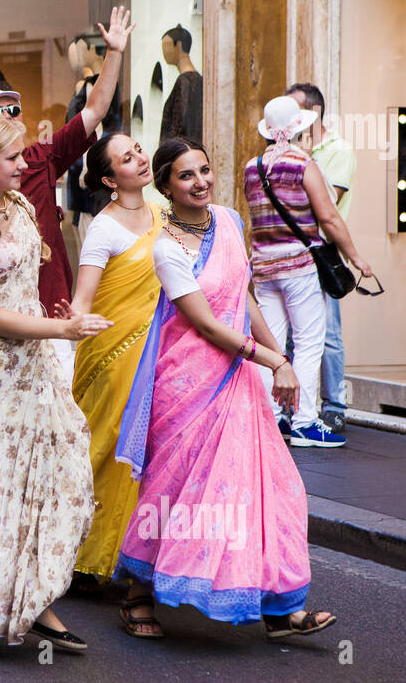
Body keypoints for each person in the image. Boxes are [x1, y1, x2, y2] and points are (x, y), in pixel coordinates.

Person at [113, 138, 336, 641]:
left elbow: (246, 300)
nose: (201, 182)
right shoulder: (167, 248)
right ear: (166, 186)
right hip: (187, 382)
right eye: (187, 176)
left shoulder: (231, 222)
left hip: (238, 375)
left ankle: (280, 608)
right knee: (177, 494)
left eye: (206, 171)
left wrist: (281, 360)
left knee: (272, 489)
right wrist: (274, 361)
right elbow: (208, 326)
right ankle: (138, 594)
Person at [0, 114, 110, 652]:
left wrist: (53, 315)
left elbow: (26, 286)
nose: (23, 166)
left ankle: (36, 599)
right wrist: (63, 328)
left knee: (54, 478)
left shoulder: (19, 205)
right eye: (12, 158)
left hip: (33, 364)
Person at [0, 7, 134, 359]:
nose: (9, 116)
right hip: (0, 317)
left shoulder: (40, 156)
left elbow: (95, 110)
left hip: (53, 311)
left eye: (13, 110)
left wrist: (115, 53)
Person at [242, 95, 372, 447]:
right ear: (299, 127)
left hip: (264, 268)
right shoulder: (303, 163)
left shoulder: (253, 167)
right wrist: (356, 258)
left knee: (270, 343)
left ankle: (270, 416)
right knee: (308, 342)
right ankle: (304, 420)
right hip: (298, 267)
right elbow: (328, 216)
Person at [63, 133, 162, 590]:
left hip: (163, 351)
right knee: (105, 449)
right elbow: (83, 300)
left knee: (151, 454)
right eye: (127, 158)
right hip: (114, 355)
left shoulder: (167, 211)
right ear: (108, 178)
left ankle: (139, 556)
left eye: (138, 149)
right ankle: (85, 553)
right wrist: (65, 334)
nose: (140, 159)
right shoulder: (103, 228)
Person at [287, 82, 356, 434]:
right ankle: (293, 405)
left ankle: (335, 405)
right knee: (290, 333)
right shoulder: (284, 150)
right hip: (289, 253)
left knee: (328, 333)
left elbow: (325, 203)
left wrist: (304, 162)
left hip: (321, 253)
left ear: (312, 114)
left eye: (293, 109)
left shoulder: (339, 150)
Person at [158, 25, 204, 145]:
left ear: (178, 45)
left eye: (166, 46)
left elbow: (179, 126)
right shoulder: (196, 79)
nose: (164, 52)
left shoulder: (185, 82)